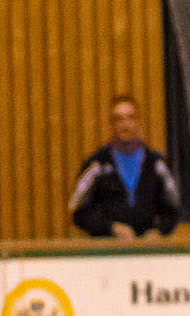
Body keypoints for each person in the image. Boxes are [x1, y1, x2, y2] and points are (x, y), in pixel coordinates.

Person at [69, 97, 181, 239]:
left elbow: (173, 209)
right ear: (112, 124)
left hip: (150, 251)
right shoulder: (97, 165)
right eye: (119, 119)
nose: (125, 124)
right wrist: (110, 227)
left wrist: (158, 231)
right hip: (107, 250)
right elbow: (77, 209)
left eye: (130, 118)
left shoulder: (157, 165)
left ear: (138, 122)